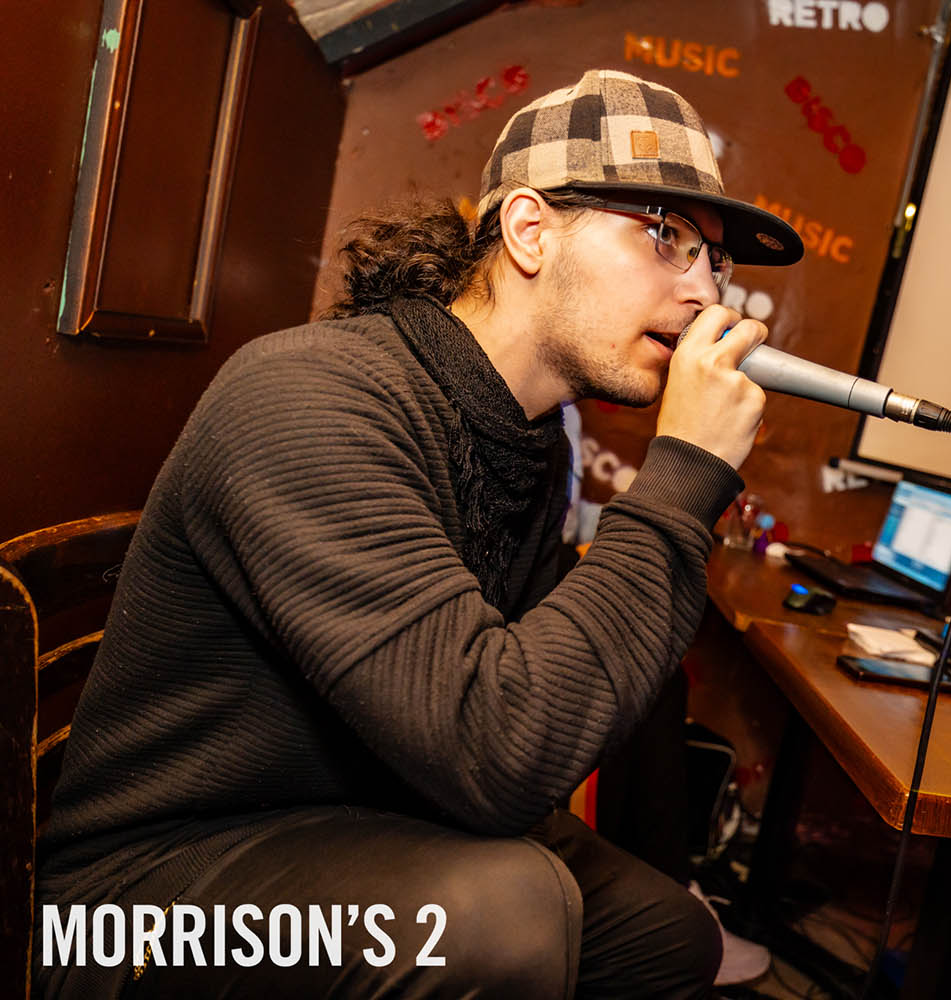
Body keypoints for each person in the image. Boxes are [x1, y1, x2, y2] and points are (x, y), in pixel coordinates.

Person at [34, 68, 802, 999]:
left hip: (362, 822)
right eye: (666, 236)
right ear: (529, 230)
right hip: (142, 902)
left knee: (669, 936)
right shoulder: (311, 398)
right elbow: (499, 753)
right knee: (508, 912)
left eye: (716, 262)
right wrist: (682, 477)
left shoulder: (531, 443)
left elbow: (534, 727)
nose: (707, 293)